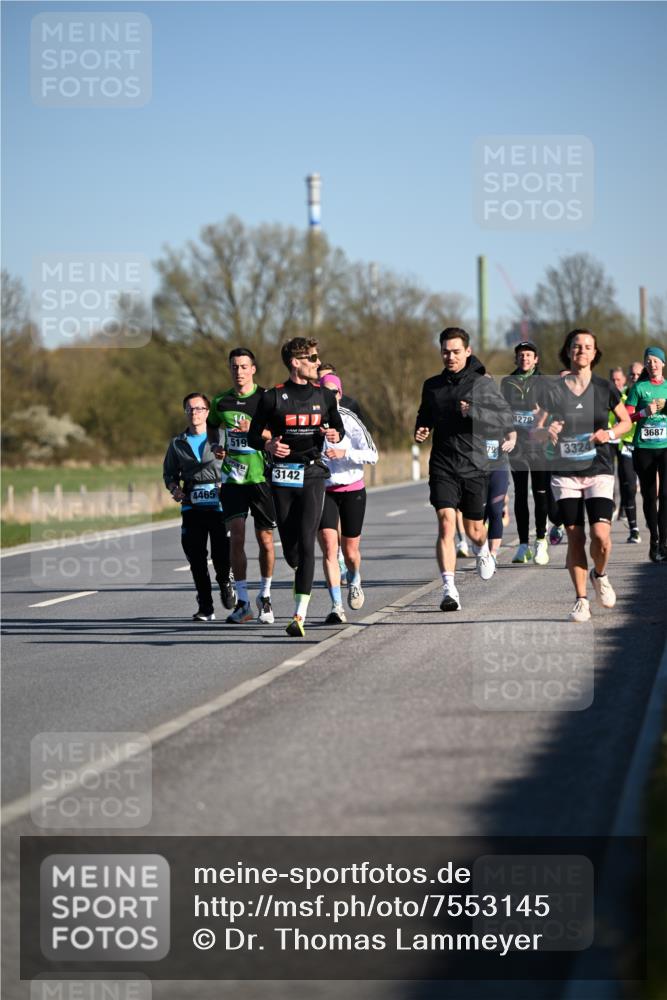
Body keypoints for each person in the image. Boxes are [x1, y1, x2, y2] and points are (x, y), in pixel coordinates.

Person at [248, 337, 345, 637]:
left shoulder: (325, 396)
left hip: (313, 473)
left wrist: (333, 434)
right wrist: (268, 443)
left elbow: (338, 428)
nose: (318, 363)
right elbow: (253, 437)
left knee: (306, 542)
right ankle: (299, 573)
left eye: (317, 357)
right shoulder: (272, 398)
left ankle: (298, 616)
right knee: (292, 550)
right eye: (312, 358)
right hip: (282, 477)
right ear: (295, 362)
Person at [414, 327, 513, 612]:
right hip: (443, 464)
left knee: (474, 530)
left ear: (468, 351)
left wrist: (472, 412)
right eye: (446, 351)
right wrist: (421, 428)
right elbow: (425, 414)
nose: (450, 356)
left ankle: (483, 550)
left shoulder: (482, 384)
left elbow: (504, 419)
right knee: (446, 522)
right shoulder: (431, 385)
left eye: (456, 351)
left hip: (474, 465)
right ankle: (449, 589)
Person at [541, 330, 632, 622]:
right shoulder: (553, 390)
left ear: (595, 353)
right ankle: (581, 600)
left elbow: (625, 421)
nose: (581, 350)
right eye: (576, 346)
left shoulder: (605, 388)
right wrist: (546, 431)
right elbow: (535, 428)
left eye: (587, 347)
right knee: (575, 536)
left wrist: (609, 433)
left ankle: (600, 575)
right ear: (568, 351)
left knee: (601, 537)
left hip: (598, 469)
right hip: (565, 472)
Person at [209, 348, 277, 624]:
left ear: (253, 369)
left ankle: (266, 596)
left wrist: (262, 435)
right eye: (234, 367)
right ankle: (244, 602)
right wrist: (216, 444)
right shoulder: (221, 401)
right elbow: (213, 426)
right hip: (233, 479)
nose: (238, 371)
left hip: (261, 478)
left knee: (265, 540)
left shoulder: (266, 398)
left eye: (243, 366)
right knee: (236, 537)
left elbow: (280, 431)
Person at [163, 393, 235, 621]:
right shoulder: (177, 443)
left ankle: (225, 582)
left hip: (220, 505)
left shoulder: (223, 437)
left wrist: (229, 485)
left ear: (207, 412)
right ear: (185, 412)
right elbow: (170, 474)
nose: (194, 413)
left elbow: (237, 464)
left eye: (199, 409)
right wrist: (175, 489)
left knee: (221, 554)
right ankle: (206, 606)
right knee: (196, 557)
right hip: (192, 506)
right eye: (190, 409)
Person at [317, 373, 378, 623]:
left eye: (334, 392)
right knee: (330, 548)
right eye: (324, 393)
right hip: (322, 491)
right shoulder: (311, 421)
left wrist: (345, 451)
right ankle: (336, 606)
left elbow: (373, 455)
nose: (330, 397)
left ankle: (354, 579)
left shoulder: (350, 419)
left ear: (340, 395)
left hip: (352, 489)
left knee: (350, 551)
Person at [500, 342, 551, 566]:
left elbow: (554, 408)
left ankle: (541, 540)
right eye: (521, 355)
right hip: (518, 444)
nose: (525, 359)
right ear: (516, 358)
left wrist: (541, 416)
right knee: (520, 493)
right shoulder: (507, 382)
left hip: (538, 444)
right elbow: (502, 410)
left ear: (536, 359)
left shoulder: (545, 382)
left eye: (529, 355)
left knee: (540, 492)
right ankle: (523, 545)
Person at [625, 346, 667, 561]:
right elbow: (627, 416)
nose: (652, 364)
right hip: (644, 448)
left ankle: (665, 543)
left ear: (662, 364)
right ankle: (654, 539)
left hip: (665, 447)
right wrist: (644, 412)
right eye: (648, 361)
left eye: (655, 361)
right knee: (650, 496)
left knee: (666, 495)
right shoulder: (639, 388)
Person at [608, 366, 640, 543]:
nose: (616, 383)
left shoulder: (630, 397)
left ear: (624, 380)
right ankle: (607, 518)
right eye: (613, 380)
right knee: (607, 480)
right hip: (609, 443)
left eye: (618, 380)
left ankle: (634, 528)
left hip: (626, 443)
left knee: (628, 484)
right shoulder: (603, 395)